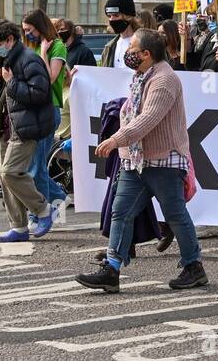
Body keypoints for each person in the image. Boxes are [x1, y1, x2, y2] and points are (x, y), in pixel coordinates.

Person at [76, 29, 207, 293]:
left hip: (164, 162)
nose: (128, 53)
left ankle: (194, 266)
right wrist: (123, 146)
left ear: (147, 54)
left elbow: (147, 119)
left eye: (133, 49)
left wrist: (116, 140)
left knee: (175, 215)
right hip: (135, 162)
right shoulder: (140, 77)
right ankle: (112, 269)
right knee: (121, 212)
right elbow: (131, 113)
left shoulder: (165, 80)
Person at [0, 20, 57, 243]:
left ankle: (43, 209)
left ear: (10, 40)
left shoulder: (29, 59)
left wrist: (11, 82)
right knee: (4, 176)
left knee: (10, 172)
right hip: (8, 127)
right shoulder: (5, 59)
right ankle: (18, 226)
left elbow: (40, 93)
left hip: (26, 128)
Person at [22, 10, 68, 215]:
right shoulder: (32, 46)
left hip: (50, 109)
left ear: (40, 27)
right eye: (25, 31)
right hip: (35, 110)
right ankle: (56, 200)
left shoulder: (57, 47)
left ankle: (42, 210)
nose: (28, 34)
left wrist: (42, 54)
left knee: (36, 167)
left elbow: (48, 78)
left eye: (30, 30)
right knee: (34, 165)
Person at [101, 0, 139, 68]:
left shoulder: (147, 44)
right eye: (109, 16)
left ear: (128, 16)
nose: (111, 19)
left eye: (116, 15)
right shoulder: (109, 48)